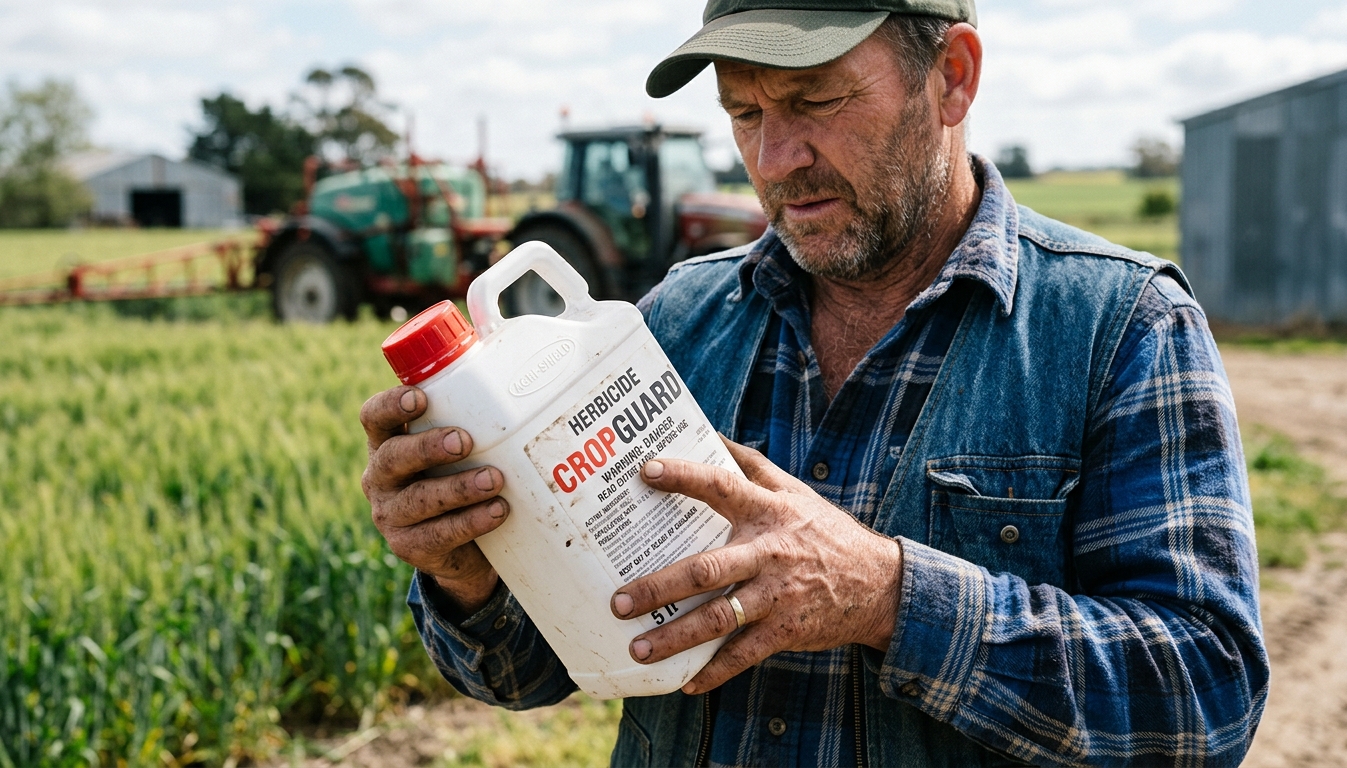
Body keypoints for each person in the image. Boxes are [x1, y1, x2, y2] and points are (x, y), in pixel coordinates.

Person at [359, 1, 1270, 765]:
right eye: (744, 114)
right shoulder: (674, 323)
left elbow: (1207, 698)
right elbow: (528, 674)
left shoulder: (1122, 326)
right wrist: (469, 573)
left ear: (952, 74)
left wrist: (886, 595)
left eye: (816, 98)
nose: (775, 156)